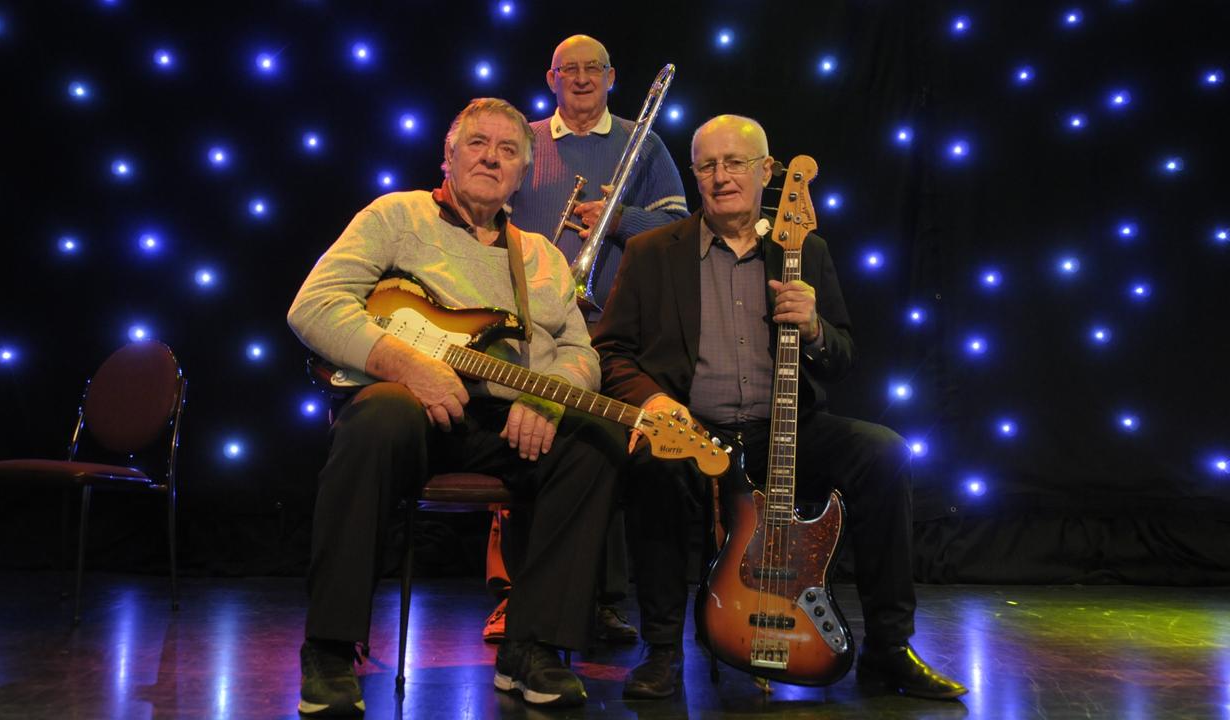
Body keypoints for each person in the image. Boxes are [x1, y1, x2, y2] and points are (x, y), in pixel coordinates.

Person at [593, 115, 968, 701]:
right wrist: (656, 401)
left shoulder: (804, 250)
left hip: (786, 428)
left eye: (734, 163)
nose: (720, 177)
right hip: (696, 429)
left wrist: (816, 327)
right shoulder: (651, 252)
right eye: (707, 165)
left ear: (766, 171)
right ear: (693, 175)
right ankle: (663, 648)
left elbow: (843, 355)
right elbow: (610, 351)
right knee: (653, 466)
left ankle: (889, 649)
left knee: (885, 453)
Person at [287, 97, 623, 713]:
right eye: (478, 144)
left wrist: (546, 404)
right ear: (448, 155)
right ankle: (330, 649)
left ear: (523, 173)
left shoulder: (541, 258)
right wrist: (408, 366)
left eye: (508, 152)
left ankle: (533, 644)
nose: (492, 158)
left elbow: (581, 353)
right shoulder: (396, 215)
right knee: (378, 417)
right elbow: (313, 306)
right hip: (409, 403)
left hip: (506, 418)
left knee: (594, 442)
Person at [484, 33, 689, 645]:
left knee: (607, 452)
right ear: (550, 79)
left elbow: (681, 228)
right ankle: (512, 594)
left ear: (611, 75)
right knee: (523, 443)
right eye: (567, 69)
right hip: (527, 324)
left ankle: (599, 597)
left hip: (614, 326)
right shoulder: (523, 140)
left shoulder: (643, 143)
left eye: (592, 68)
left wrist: (621, 220)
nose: (579, 78)